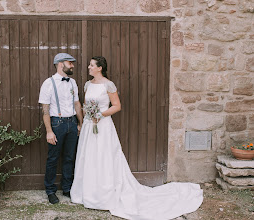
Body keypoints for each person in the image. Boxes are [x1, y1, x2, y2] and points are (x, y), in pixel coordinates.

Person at [70, 56, 203, 219]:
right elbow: (85, 105)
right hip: (90, 126)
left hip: (103, 126)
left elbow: (117, 106)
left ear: (99, 68)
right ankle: (88, 192)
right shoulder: (88, 84)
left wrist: (100, 114)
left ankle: (104, 194)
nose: (88, 67)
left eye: (91, 65)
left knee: (103, 157)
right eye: (89, 65)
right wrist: (86, 119)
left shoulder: (108, 84)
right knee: (89, 157)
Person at [39, 53, 83, 204]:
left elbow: (77, 104)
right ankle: (50, 190)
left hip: (71, 123)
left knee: (70, 157)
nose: (72, 66)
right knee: (53, 158)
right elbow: (45, 109)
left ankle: (67, 188)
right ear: (60, 64)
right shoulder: (48, 83)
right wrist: (49, 131)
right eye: (70, 63)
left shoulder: (73, 82)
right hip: (56, 124)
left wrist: (80, 123)